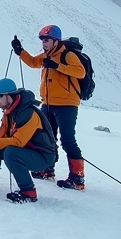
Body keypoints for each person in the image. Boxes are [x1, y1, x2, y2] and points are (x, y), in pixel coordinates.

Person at [12, 24, 87, 190]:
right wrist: (20, 51)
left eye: (46, 40)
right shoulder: (47, 55)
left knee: (67, 140)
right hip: (48, 103)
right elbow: (32, 62)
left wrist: (57, 66)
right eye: (42, 40)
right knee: (46, 138)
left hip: (67, 104)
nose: (43, 43)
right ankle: (46, 170)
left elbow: (80, 72)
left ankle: (77, 178)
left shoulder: (68, 55)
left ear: (56, 40)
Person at [0, 78, 58, 203]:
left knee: (10, 153)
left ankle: (28, 192)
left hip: (43, 156)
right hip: (28, 151)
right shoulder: (9, 112)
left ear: (9, 95)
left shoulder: (28, 113)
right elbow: (1, 138)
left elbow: (19, 142)